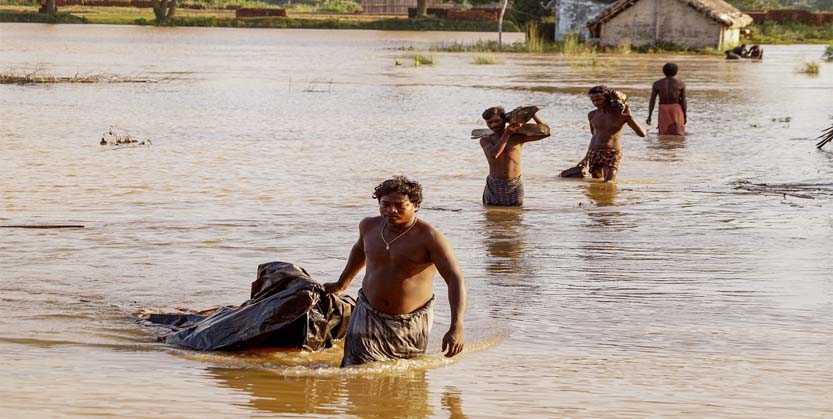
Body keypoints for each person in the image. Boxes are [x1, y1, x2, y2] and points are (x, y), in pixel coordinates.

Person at [323, 176, 466, 367]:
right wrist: (342, 283)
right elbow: (360, 250)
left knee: (407, 382)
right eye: (385, 204)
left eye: (400, 205)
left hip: (410, 322)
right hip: (367, 313)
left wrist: (456, 326)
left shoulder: (430, 237)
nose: (391, 210)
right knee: (354, 372)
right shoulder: (368, 226)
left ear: (415, 206)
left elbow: (455, 279)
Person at [479, 106, 551, 206]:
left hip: (514, 184)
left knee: (515, 217)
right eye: (489, 123)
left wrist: (531, 115)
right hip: (494, 184)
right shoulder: (486, 140)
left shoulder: (517, 137)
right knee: (492, 217)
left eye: (497, 121)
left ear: (505, 120)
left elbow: (545, 133)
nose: (493, 125)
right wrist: (507, 134)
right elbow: (494, 155)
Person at [581, 85, 646, 182]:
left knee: (609, 183)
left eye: (599, 99)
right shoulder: (592, 115)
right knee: (596, 183)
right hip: (594, 152)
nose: (595, 103)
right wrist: (586, 158)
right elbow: (594, 136)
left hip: (612, 153)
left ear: (607, 98)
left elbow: (642, 134)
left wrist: (630, 117)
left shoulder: (621, 115)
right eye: (593, 100)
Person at [646, 63, 687, 136]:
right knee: (679, 133)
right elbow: (683, 101)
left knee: (663, 133)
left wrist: (649, 116)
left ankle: (664, 145)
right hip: (676, 109)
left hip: (663, 109)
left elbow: (652, 101)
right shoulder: (680, 84)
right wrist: (685, 115)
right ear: (676, 72)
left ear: (663, 71)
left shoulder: (657, 84)